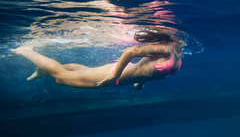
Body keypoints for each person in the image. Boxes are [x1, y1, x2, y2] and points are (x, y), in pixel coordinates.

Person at [13, 29, 184, 89]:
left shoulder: (178, 49)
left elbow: (155, 70)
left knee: (76, 74)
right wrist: (115, 75)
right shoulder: (165, 48)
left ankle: (42, 70)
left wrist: (140, 82)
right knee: (60, 78)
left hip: (120, 77)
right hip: (112, 76)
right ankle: (27, 51)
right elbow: (130, 51)